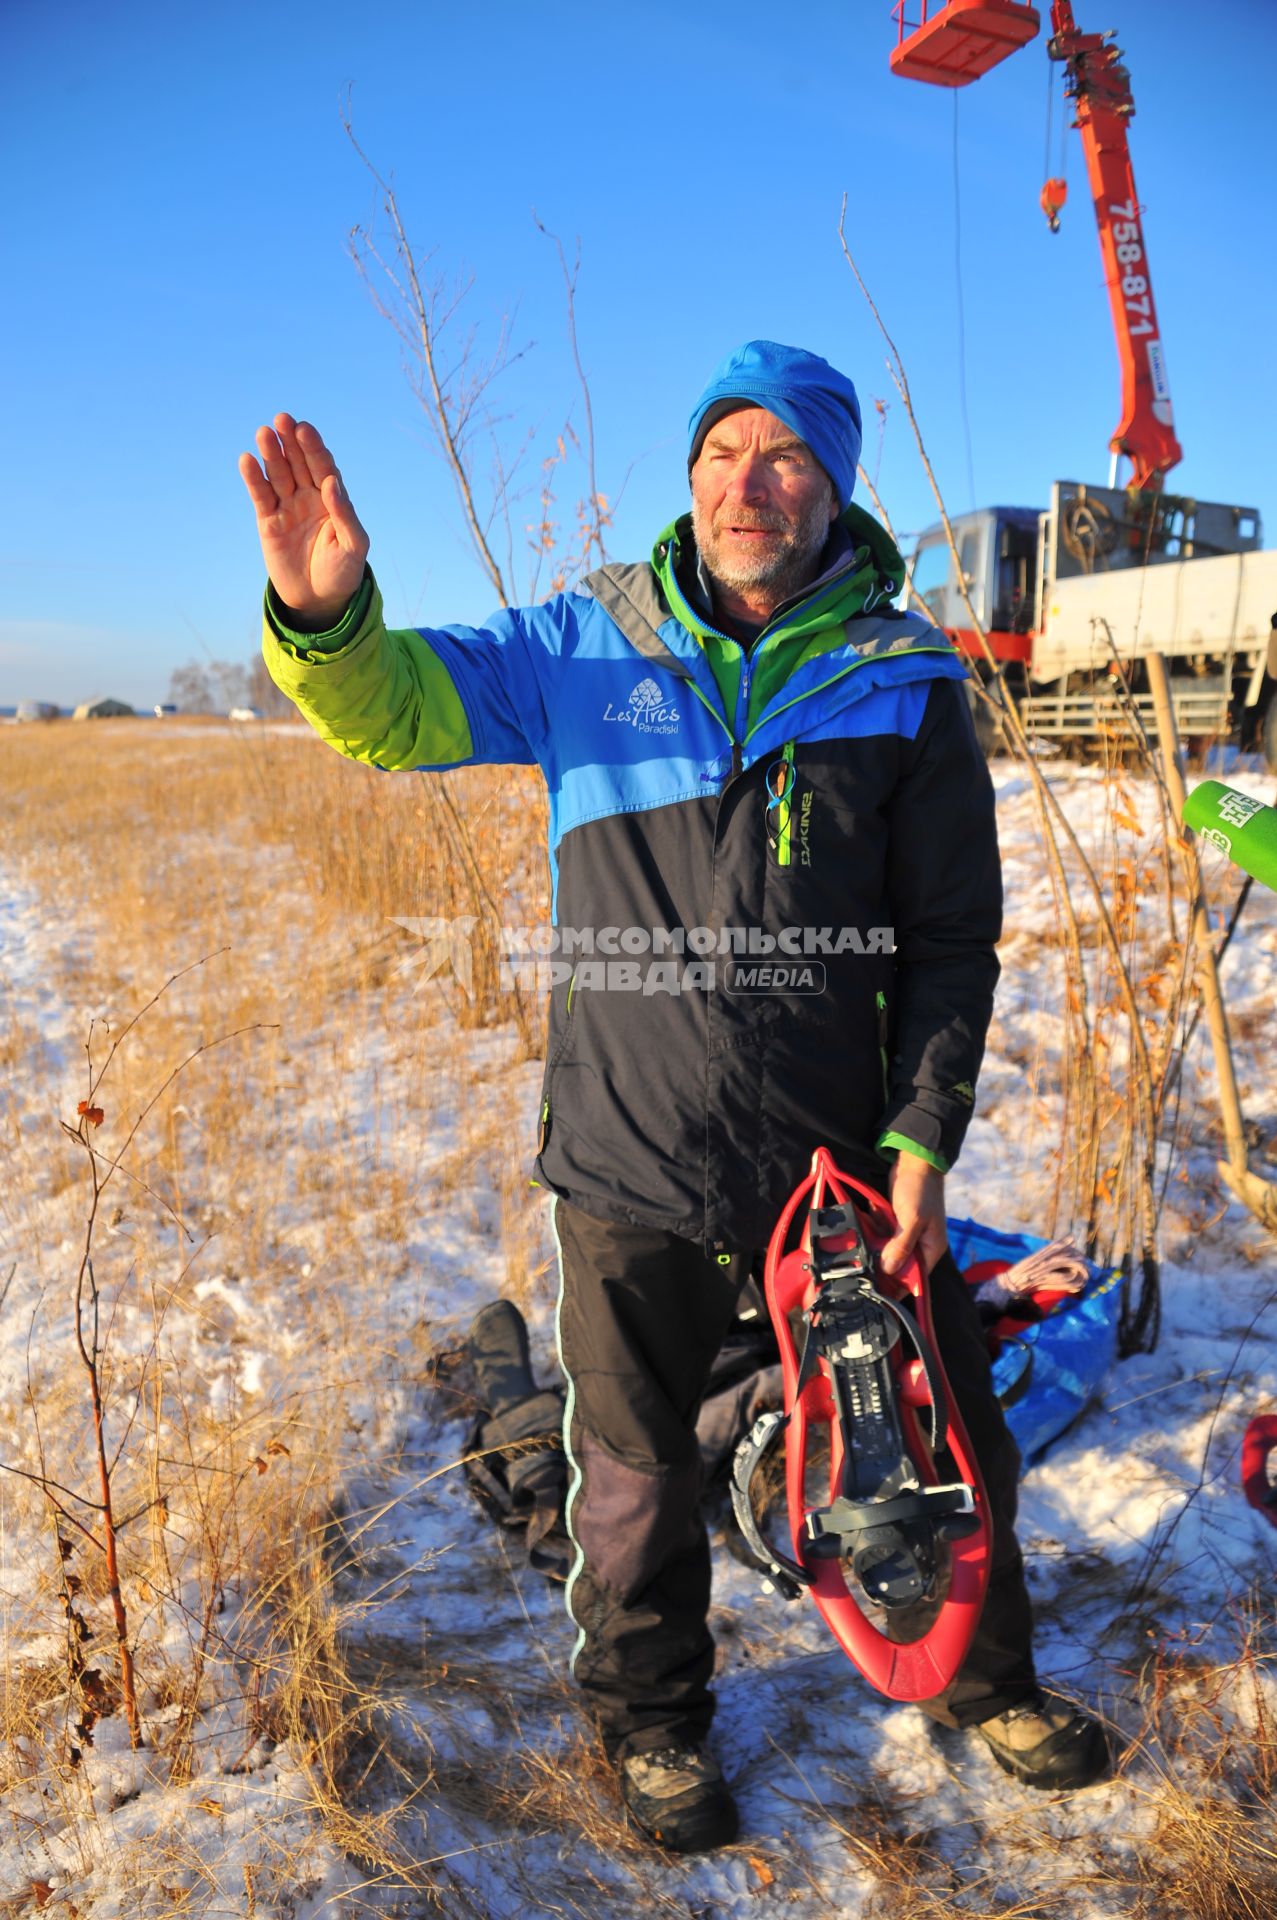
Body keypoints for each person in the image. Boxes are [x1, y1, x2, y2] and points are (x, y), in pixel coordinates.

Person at [240, 341, 1110, 1852]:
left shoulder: (900, 680)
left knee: (943, 1423)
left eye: (779, 455)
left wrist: (919, 1139)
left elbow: (950, 942)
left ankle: (984, 1679)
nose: (741, 483)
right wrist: (325, 617)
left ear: (834, 485)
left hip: (833, 1169)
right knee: (630, 1470)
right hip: (626, 1154)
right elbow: (393, 712)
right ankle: (653, 1725)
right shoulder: (584, 647)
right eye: (719, 451)